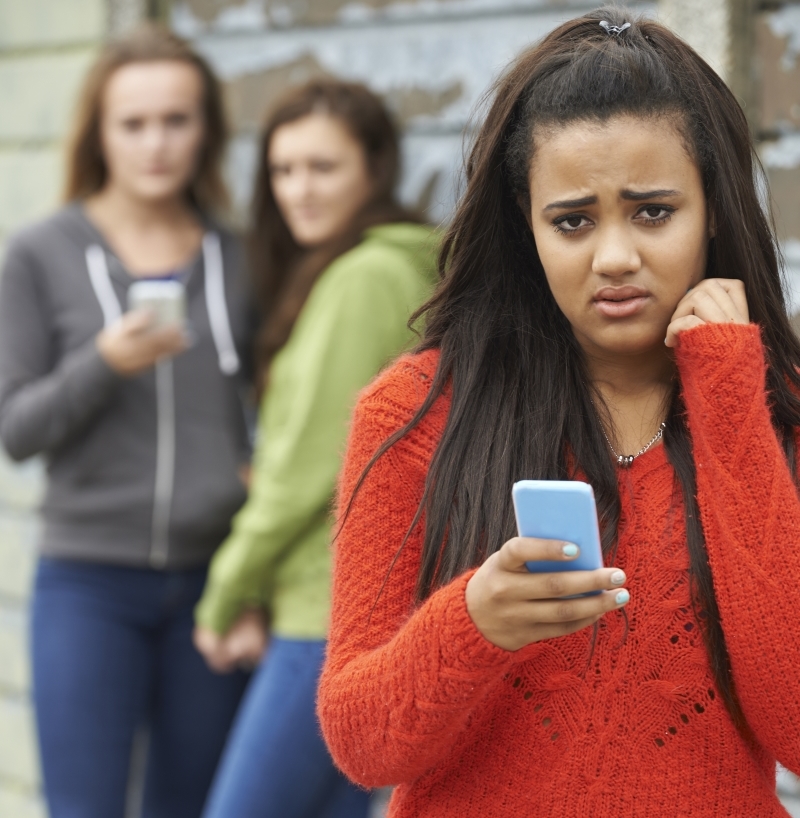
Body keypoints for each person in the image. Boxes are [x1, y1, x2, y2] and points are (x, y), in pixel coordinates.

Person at [318, 8, 800, 817]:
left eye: (653, 211)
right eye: (572, 221)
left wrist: (729, 407)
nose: (615, 257)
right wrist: (472, 625)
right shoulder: (417, 412)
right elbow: (361, 743)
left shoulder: (773, 407)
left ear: (713, 206)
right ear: (524, 222)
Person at [0, 26, 255, 818]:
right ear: (100, 132)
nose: (156, 144)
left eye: (176, 120)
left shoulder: (242, 257)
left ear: (205, 128)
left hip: (212, 586)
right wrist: (103, 363)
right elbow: (16, 428)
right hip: (89, 583)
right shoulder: (40, 253)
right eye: (133, 123)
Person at [192, 80, 439, 818]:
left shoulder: (363, 276)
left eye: (322, 168)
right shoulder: (392, 264)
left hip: (324, 616)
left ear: (374, 169)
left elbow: (309, 470)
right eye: (282, 170)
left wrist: (225, 595)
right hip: (363, 606)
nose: (298, 190)